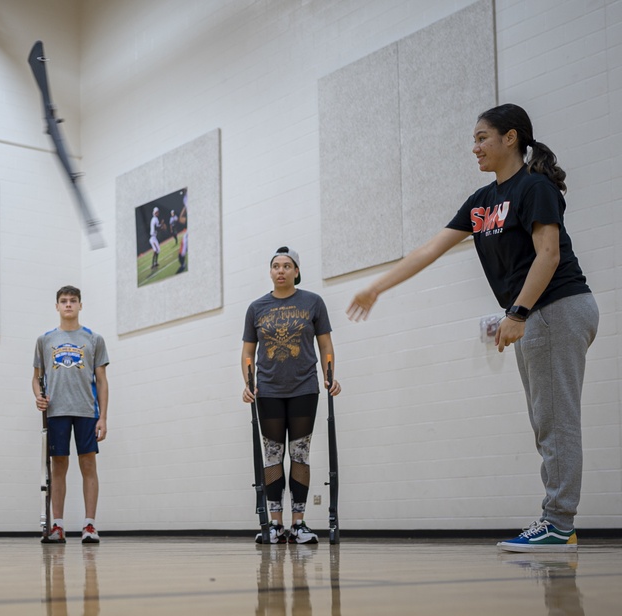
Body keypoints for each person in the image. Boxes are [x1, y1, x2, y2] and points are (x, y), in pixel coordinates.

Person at [347, 104, 598, 553]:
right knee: (547, 419)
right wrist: (377, 287)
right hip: (536, 312)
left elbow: (549, 255)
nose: (475, 147)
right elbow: (429, 249)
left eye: (483, 137)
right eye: (474, 139)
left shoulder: (534, 187)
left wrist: (517, 313)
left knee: (555, 420)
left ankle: (559, 523)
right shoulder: (483, 201)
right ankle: (558, 521)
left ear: (511, 138)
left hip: (557, 306)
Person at [242, 247, 341, 544]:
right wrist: (247, 382)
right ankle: (274, 524)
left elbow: (325, 345)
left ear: (296, 271)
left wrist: (329, 375)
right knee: (273, 455)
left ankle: (298, 523)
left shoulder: (313, 302)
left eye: (287, 266)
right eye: (276, 266)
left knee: (299, 453)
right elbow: (248, 351)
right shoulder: (256, 308)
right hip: (268, 391)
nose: (281, 270)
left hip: (304, 388)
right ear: (270, 272)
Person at [33, 285, 109, 544]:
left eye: (73, 301)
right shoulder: (44, 340)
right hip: (57, 412)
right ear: (56, 306)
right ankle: (58, 526)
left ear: (80, 305)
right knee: (59, 466)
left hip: (86, 411)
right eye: (63, 301)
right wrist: (38, 396)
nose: (68, 305)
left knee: (88, 465)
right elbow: (36, 378)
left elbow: (102, 381)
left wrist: (104, 417)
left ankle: (89, 525)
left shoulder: (94, 339)